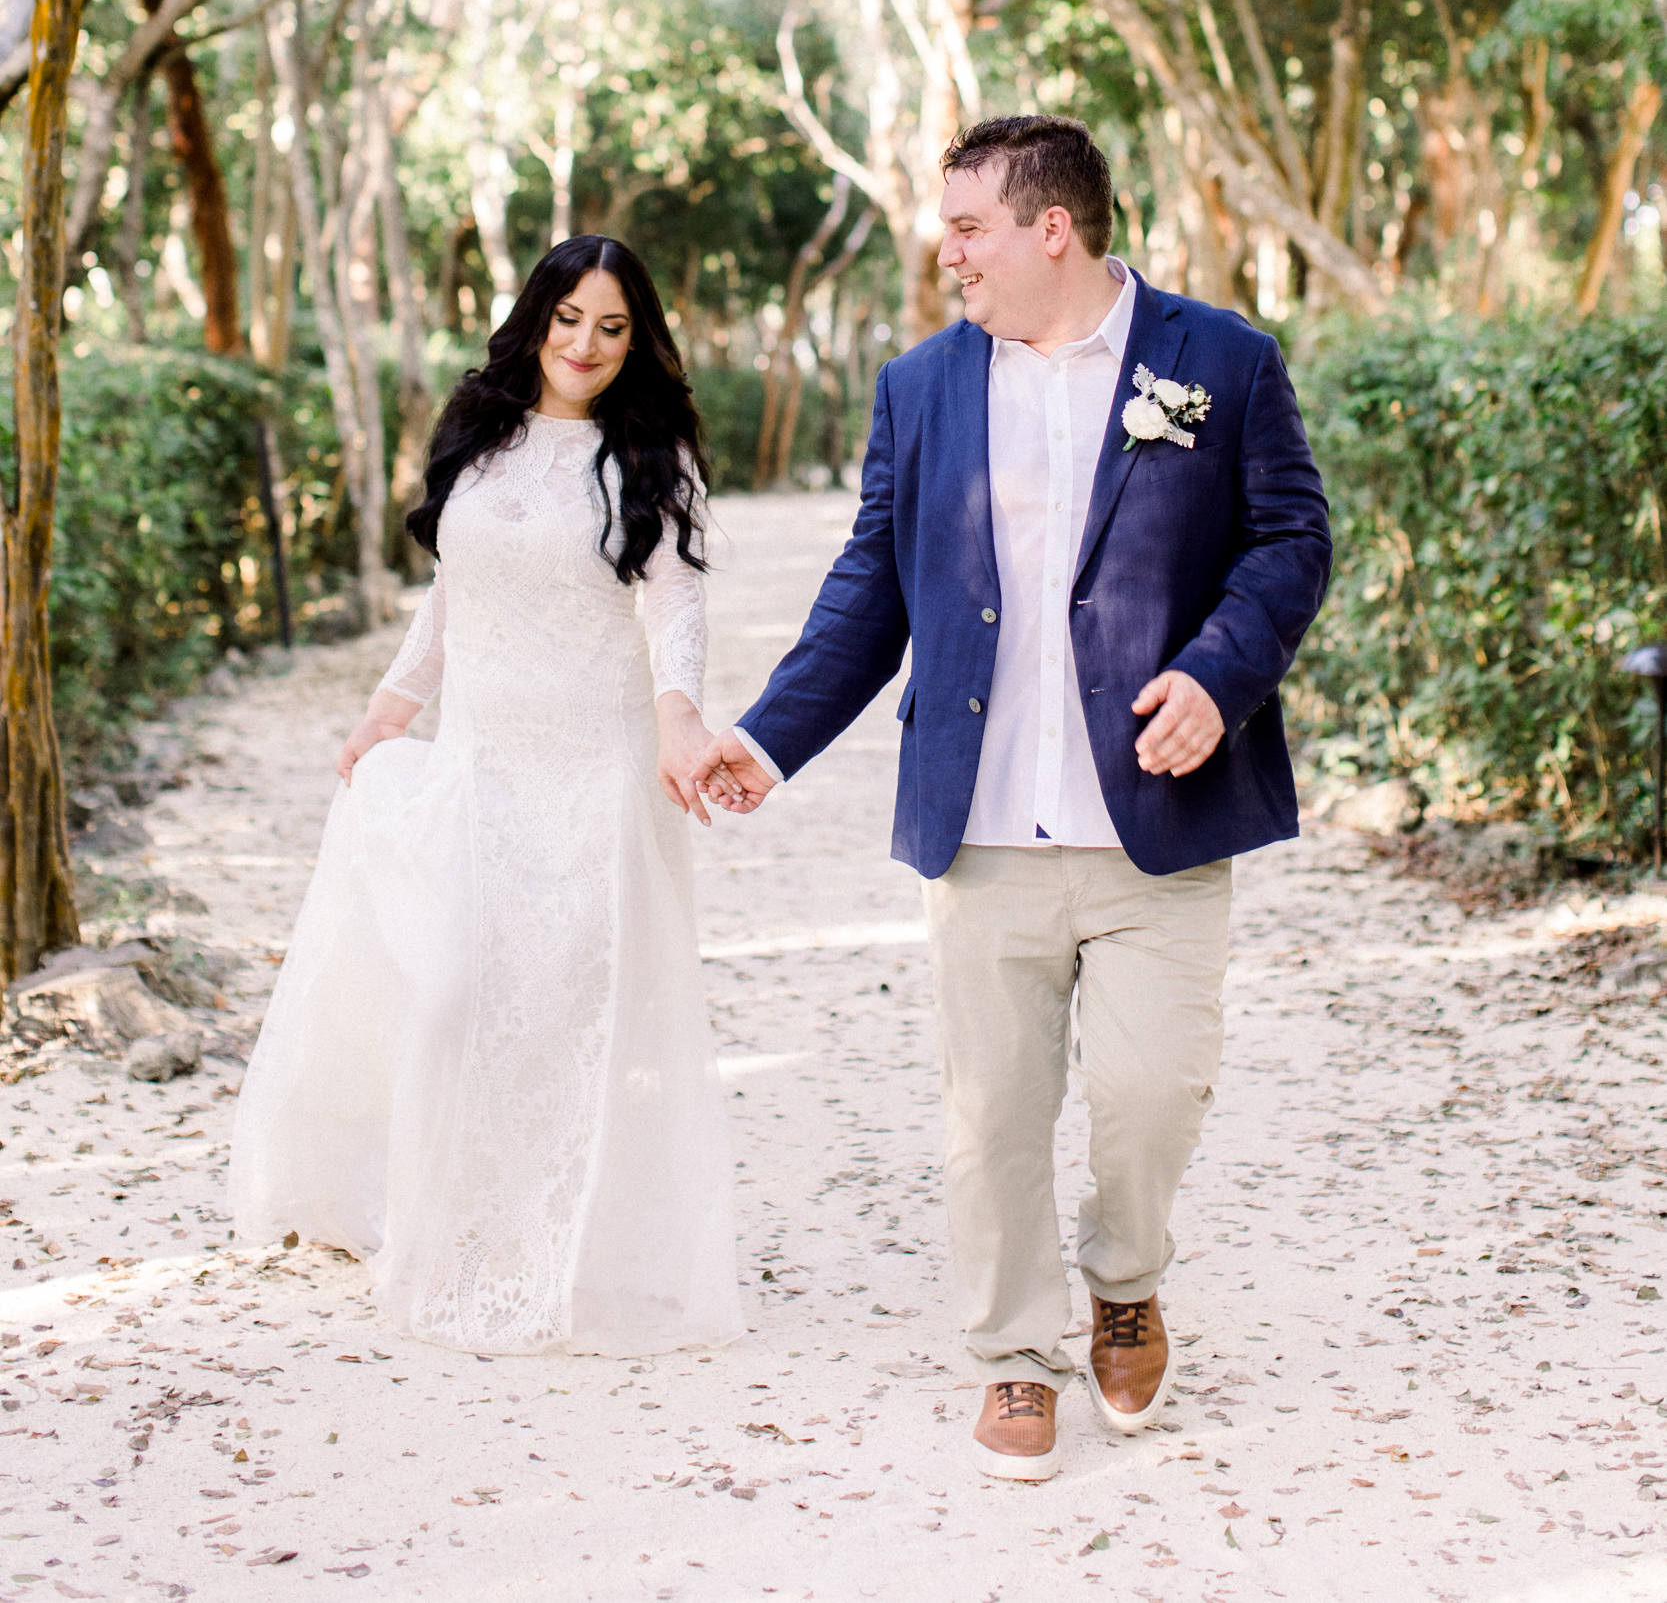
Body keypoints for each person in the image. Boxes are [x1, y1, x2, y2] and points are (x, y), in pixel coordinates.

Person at [685, 116, 1331, 1480]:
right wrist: (768, 736)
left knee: (1151, 1096)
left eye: (967, 225)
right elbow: (872, 588)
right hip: (980, 821)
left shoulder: (1219, 362)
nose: (946, 249)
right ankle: (1012, 1355)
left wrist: (1219, 674)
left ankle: (1125, 1277)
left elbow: (1288, 538)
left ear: (1053, 230)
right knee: (990, 1112)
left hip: (1158, 817)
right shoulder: (919, 387)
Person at [230, 237, 742, 1358]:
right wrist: (387, 710)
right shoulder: (480, 434)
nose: (586, 346)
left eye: (611, 328)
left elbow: (675, 607)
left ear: (636, 337)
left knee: (569, 1013)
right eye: (568, 319)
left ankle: (564, 1244)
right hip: (481, 762)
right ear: (536, 316)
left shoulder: (649, 458)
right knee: (457, 991)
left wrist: (677, 718)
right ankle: (447, 1218)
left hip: (597, 771)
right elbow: (450, 598)